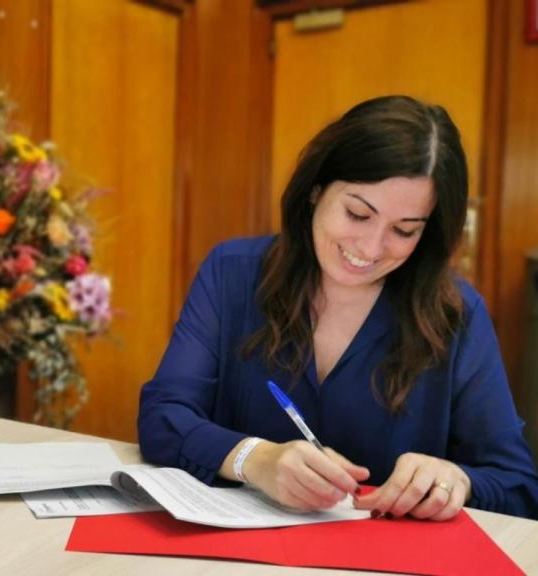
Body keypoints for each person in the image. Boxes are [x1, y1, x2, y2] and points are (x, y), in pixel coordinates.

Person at [138, 95, 538, 520]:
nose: (369, 247)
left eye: (403, 231)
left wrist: (455, 479)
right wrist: (253, 459)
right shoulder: (231, 274)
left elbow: (516, 485)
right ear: (316, 189)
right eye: (357, 214)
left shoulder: (456, 313)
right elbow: (163, 417)